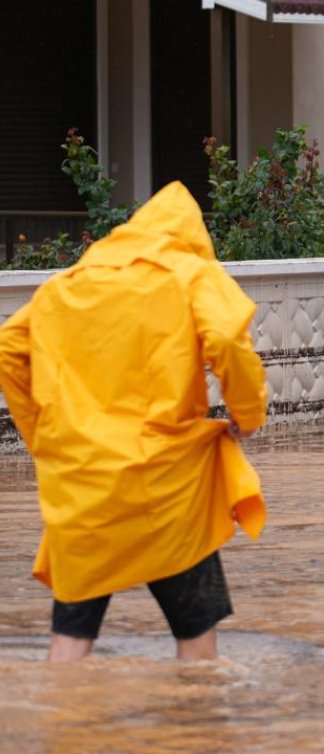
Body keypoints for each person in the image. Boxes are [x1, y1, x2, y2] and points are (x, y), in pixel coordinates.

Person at [0, 182, 268, 662]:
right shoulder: (190, 275)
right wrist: (246, 416)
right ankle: (194, 730)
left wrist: (42, 435)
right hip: (167, 486)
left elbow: (7, 349)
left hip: (83, 485)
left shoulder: (66, 286)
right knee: (196, 631)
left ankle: (64, 728)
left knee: (72, 636)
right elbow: (228, 340)